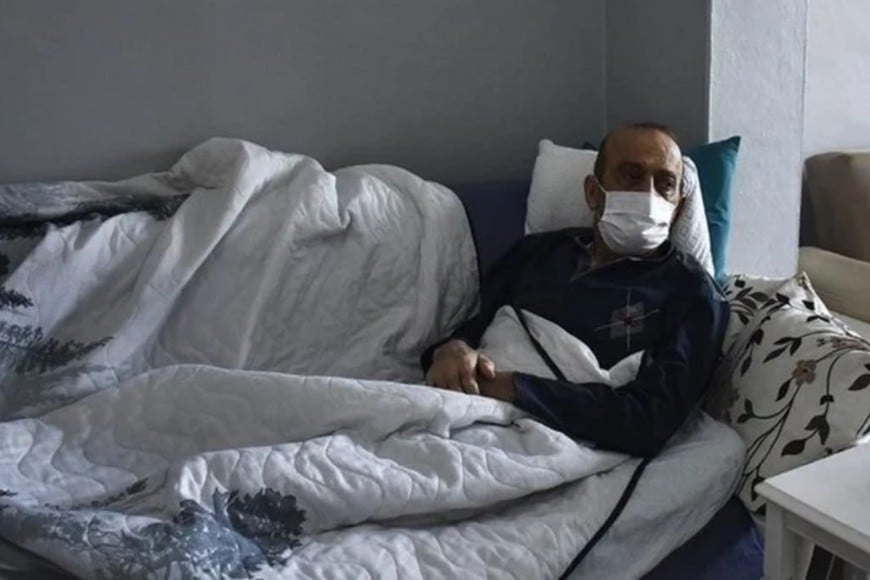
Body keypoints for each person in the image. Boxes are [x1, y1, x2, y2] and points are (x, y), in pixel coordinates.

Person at [421, 123, 729, 458]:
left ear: (678, 207)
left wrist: (511, 387)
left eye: (665, 184)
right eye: (631, 176)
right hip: (466, 410)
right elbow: (470, 330)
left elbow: (648, 421)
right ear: (593, 193)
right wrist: (451, 350)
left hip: (551, 440)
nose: (648, 195)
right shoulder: (536, 253)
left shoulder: (694, 293)